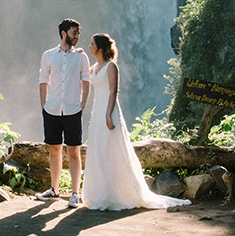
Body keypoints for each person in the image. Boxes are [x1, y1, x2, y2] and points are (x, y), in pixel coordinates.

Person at [81, 33, 191, 210]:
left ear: (100, 48)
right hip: (96, 113)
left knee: (112, 150)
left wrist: (108, 115)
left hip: (108, 111)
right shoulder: (94, 67)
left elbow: (113, 93)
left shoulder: (111, 67)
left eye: (91, 44)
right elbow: (82, 76)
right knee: (98, 150)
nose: (89, 46)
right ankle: (99, 193)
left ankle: (115, 193)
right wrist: (78, 55)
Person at [36, 18, 91, 208]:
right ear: (63, 33)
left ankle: (75, 193)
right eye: (74, 33)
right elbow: (43, 81)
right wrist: (44, 106)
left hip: (72, 109)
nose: (77, 37)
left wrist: (81, 106)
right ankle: (54, 190)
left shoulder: (82, 57)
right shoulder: (48, 55)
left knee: (74, 151)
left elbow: (86, 82)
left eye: (78, 33)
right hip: (52, 110)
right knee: (54, 150)